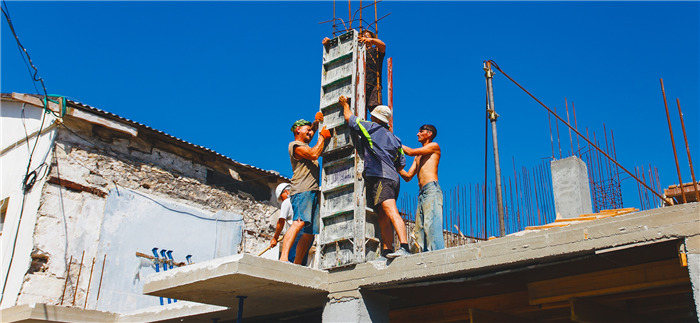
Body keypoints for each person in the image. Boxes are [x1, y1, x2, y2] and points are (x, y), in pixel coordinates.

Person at [338, 96, 409, 259]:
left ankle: (404, 246)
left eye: (372, 115)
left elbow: (349, 118)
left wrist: (345, 104)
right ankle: (387, 251)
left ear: (376, 118)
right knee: (383, 215)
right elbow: (401, 164)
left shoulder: (371, 128)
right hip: (393, 179)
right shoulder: (396, 139)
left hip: (381, 177)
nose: (370, 116)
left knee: (391, 212)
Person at [281, 113, 331, 264]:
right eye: (307, 130)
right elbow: (314, 154)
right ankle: (283, 258)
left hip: (313, 190)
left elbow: (312, 130)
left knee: (310, 233)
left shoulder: (305, 142)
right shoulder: (295, 146)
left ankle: (296, 263)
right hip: (302, 189)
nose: (310, 132)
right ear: (297, 131)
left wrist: (317, 122)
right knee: (299, 221)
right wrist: (322, 136)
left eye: (311, 131)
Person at [399, 125, 446, 252]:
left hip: (432, 190)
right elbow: (408, 176)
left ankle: (438, 256)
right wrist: (395, 166)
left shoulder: (434, 146)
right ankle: (426, 257)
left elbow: (410, 151)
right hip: (422, 193)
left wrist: (393, 142)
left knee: (431, 225)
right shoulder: (418, 156)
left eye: (421, 131)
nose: (417, 134)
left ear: (429, 133)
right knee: (420, 230)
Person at [323, 29, 386, 112]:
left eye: (366, 37)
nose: (364, 39)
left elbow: (383, 46)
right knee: (353, 110)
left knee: (376, 111)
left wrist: (370, 39)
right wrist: (329, 44)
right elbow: (340, 51)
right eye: (362, 37)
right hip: (355, 85)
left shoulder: (375, 51)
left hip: (373, 85)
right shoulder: (354, 53)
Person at [270, 183, 312, 265]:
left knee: (291, 263)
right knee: (300, 264)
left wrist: (275, 238)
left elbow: (281, 221)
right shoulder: (302, 200)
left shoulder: (287, 201)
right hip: (307, 233)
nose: (282, 201)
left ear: (286, 192)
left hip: (297, 234)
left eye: (281, 198)